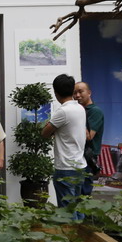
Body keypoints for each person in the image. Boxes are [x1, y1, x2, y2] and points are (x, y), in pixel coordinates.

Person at [42, 74, 87, 217]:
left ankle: (71, 231)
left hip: (65, 167)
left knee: (67, 211)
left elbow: (44, 133)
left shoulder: (62, 111)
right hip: (79, 165)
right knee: (77, 207)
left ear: (56, 93)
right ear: (72, 90)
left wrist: (51, 128)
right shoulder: (80, 108)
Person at [74, 81, 104, 196]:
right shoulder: (80, 110)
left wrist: (78, 118)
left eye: (80, 92)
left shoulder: (95, 111)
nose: (77, 95)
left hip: (87, 157)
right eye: (74, 93)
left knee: (84, 193)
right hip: (77, 155)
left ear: (89, 93)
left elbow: (89, 137)